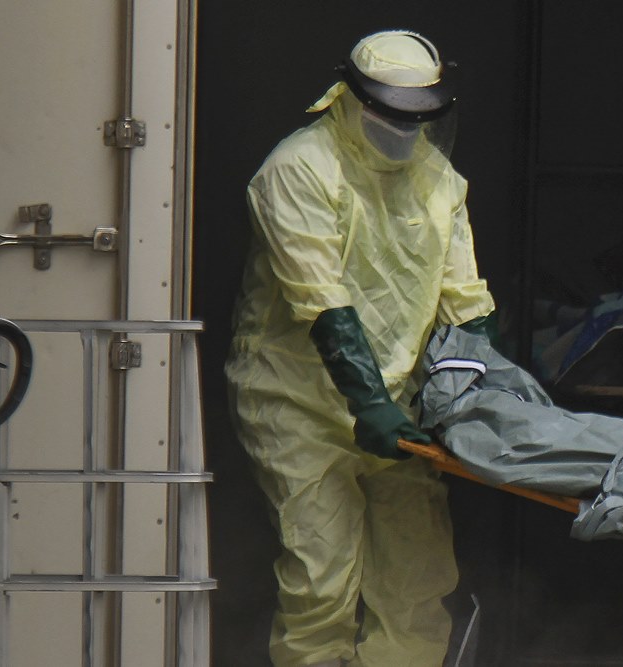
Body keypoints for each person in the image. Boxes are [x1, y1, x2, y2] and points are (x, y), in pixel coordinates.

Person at [225, 30, 496, 667]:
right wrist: (367, 399)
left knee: (417, 580)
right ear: (351, 97)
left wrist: (491, 391)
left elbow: (465, 299)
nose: (406, 132)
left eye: (420, 119)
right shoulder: (298, 169)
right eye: (392, 116)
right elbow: (319, 298)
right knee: (321, 577)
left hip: (400, 409)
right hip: (296, 400)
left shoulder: (437, 178)